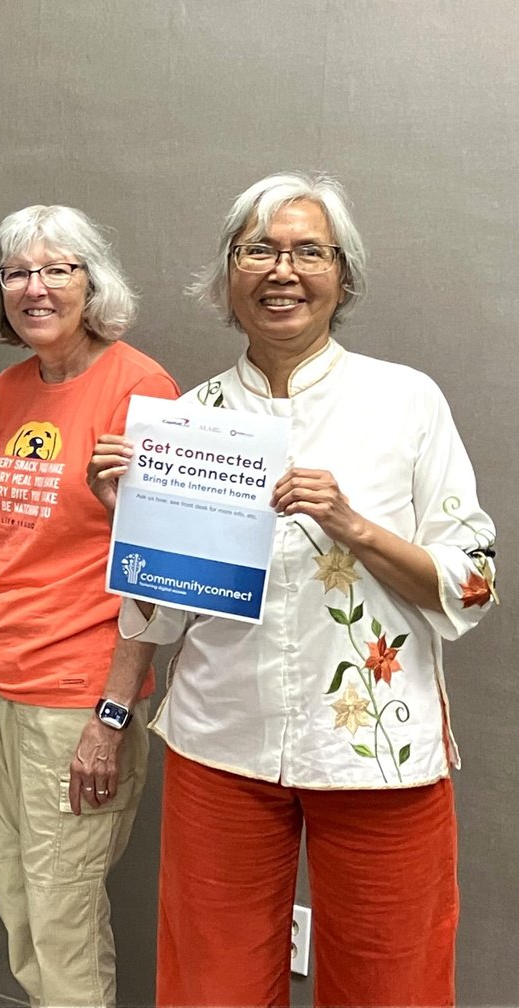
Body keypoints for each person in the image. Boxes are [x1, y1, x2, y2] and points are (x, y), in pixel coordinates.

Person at [92, 172, 497, 1007]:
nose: (283, 271)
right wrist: (130, 527)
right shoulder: (191, 418)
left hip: (376, 751)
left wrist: (355, 526)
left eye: (309, 251)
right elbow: (162, 617)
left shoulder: (405, 401)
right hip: (222, 741)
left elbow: (474, 580)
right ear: (228, 275)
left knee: (392, 982)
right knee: (211, 984)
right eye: (259, 251)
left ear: (343, 276)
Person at [0, 205, 178, 1008]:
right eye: (16, 273)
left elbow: (155, 569)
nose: (34, 288)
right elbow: (13, 543)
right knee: (22, 914)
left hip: (75, 698)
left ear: (91, 281)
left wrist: (112, 716)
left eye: (56, 270)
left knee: (63, 924)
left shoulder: (140, 388)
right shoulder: (11, 387)